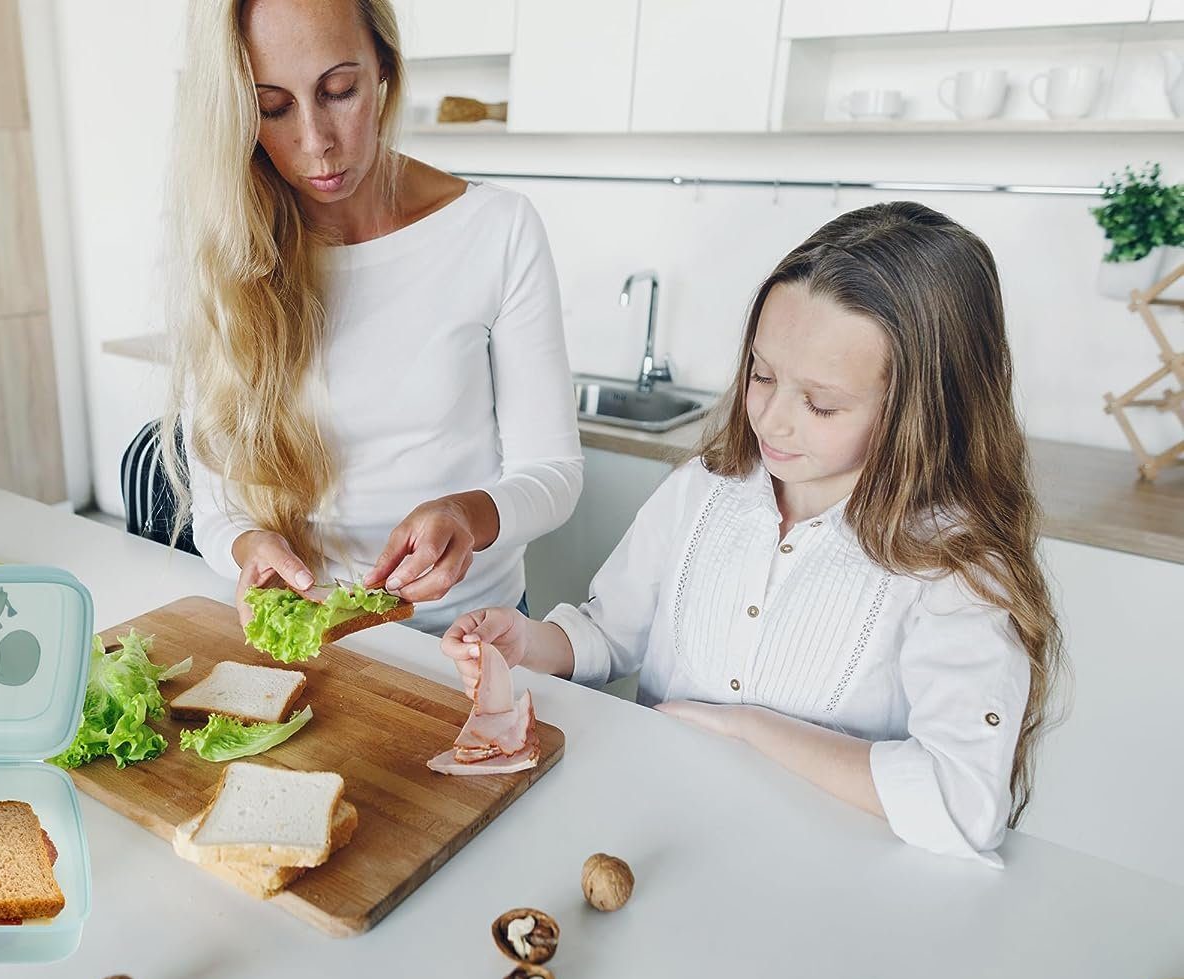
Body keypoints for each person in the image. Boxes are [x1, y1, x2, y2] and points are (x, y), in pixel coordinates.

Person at [443, 202, 1065, 865]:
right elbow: (611, 630)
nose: (771, 418)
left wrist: (742, 728)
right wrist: (531, 643)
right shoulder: (704, 491)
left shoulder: (957, 566)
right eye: (761, 375)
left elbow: (962, 801)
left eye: (821, 403)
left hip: (817, 884)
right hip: (659, 841)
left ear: (925, 408)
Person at [159, 0, 581, 635]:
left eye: (339, 91)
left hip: (470, 634)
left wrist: (467, 514)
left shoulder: (496, 228)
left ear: (383, 68)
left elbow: (554, 472)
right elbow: (220, 502)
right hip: (316, 639)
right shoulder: (230, 250)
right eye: (273, 107)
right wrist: (247, 549)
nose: (316, 143)